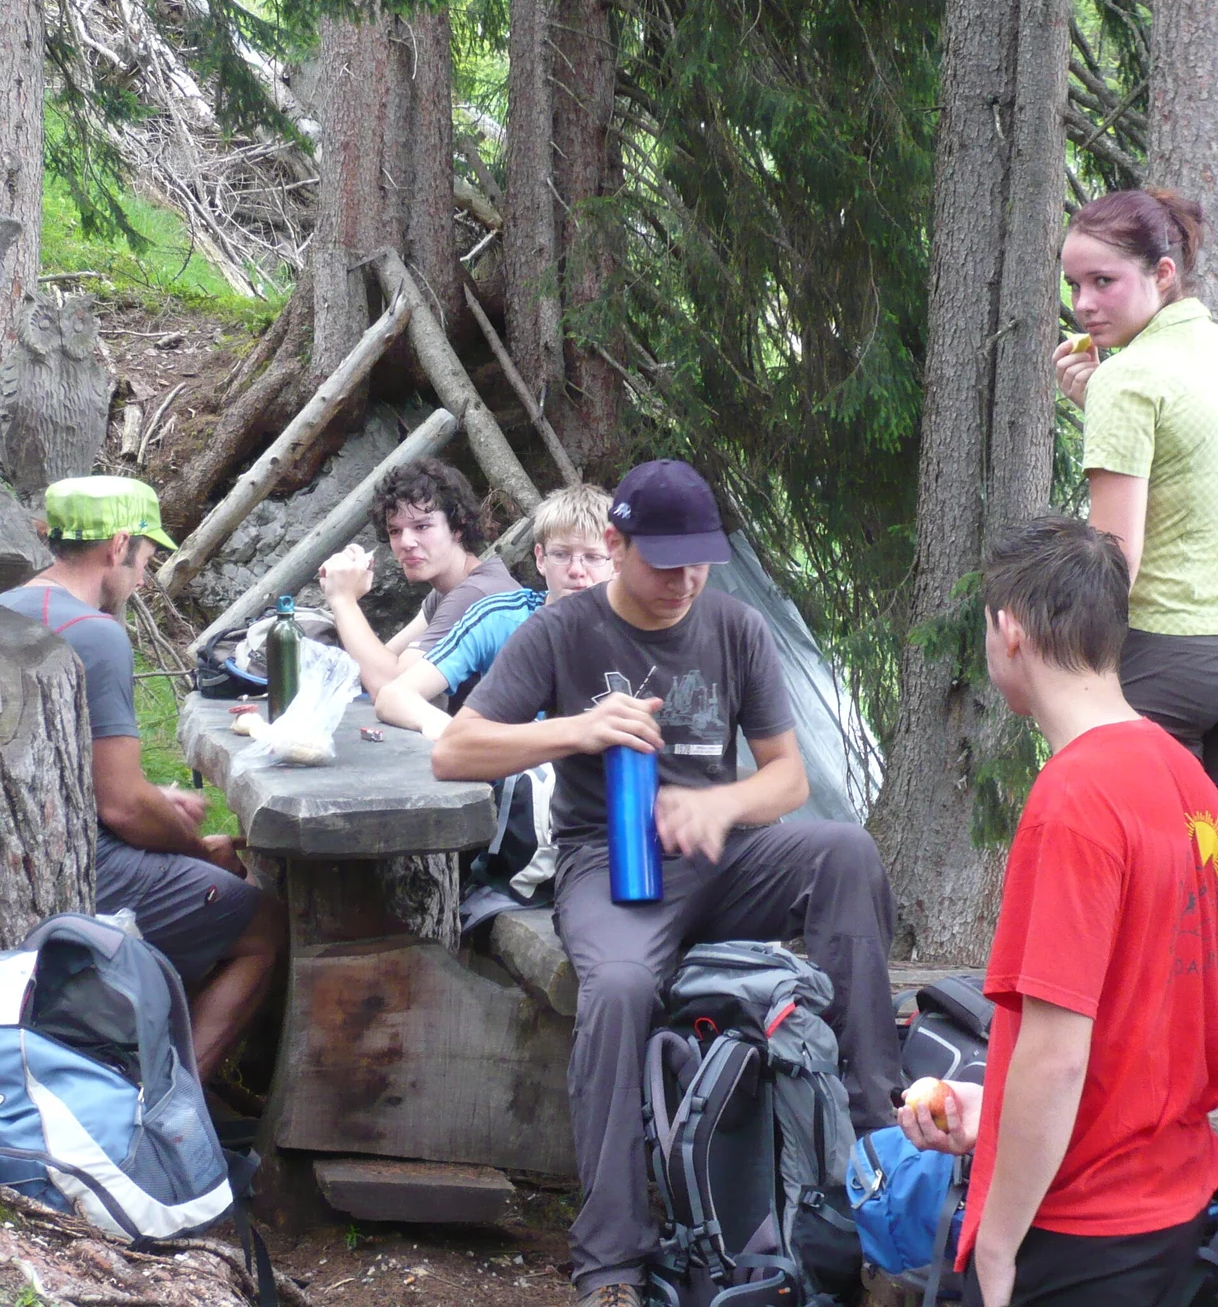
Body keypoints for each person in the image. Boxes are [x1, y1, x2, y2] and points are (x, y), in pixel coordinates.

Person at [433, 459, 902, 1307]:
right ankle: (611, 1259)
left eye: (702, 561)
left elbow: (787, 779)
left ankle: (871, 1158)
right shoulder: (562, 631)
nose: (687, 580)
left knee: (845, 854)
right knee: (616, 987)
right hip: (609, 862)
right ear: (614, 546)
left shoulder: (734, 627)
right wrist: (574, 729)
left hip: (722, 854)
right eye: (666, 563)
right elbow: (452, 750)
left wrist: (720, 805)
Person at [900, 515, 1218, 1307]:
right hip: (1173, 1205)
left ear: (1009, 631)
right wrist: (996, 1111)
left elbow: (1058, 1056)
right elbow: (1145, 1015)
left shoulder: (1074, 801)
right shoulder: (1191, 783)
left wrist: (999, 1248)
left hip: (1082, 1231)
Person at [1052, 186, 1218, 1065]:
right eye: (1074, 285)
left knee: (1146, 886)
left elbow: (1116, 559)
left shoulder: (1131, 379)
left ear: (1163, 273)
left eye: (1104, 283)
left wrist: (1074, 674)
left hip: (1169, 661)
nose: (1084, 305)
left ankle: (1150, 1101)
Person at [0, 477, 284, 1080]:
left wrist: (158, 801)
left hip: (15, 844)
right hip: (82, 864)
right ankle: (172, 1109)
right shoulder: (97, 634)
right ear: (118, 544)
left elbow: (79, 769)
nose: (146, 573)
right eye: (147, 555)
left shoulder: (3, 607)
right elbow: (124, 806)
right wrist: (196, 850)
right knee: (264, 922)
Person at [375, 483, 615, 739]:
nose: (576, 570)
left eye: (592, 557)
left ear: (618, 561)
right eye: (561, 554)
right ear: (540, 559)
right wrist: (449, 733)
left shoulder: (642, 627)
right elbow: (394, 695)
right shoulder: (498, 617)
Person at [318, 457, 519, 696]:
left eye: (422, 527)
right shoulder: (449, 589)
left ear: (458, 527)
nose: (406, 543)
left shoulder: (476, 594)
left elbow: (390, 685)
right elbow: (383, 660)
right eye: (395, 531)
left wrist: (343, 599)